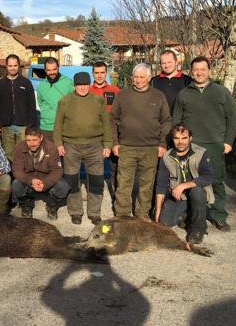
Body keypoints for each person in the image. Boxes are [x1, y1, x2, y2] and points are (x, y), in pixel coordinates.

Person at [172, 56, 236, 232]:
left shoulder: (221, 92)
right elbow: (176, 122)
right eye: (195, 70)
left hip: (215, 144)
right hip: (191, 147)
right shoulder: (184, 94)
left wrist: (228, 142)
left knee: (216, 181)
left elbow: (232, 119)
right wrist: (179, 143)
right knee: (190, 182)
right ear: (191, 72)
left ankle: (219, 215)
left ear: (209, 70)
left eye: (202, 69)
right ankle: (191, 216)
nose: (199, 73)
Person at [110, 63, 171, 219]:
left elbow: (166, 121)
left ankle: (142, 214)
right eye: (135, 77)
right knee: (123, 183)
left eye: (142, 77)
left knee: (146, 184)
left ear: (149, 78)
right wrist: (114, 143)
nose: (138, 80)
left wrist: (162, 143)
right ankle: (122, 215)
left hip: (151, 148)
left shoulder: (158, 96)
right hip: (126, 147)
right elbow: (112, 120)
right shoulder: (122, 95)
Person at [53, 72, 112, 224]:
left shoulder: (98, 100)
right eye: (79, 85)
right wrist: (59, 144)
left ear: (89, 84)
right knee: (72, 180)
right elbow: (58, 125)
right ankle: (76, 212)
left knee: (97, 180)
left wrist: (107, 144)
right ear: (74, 85)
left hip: (95, 145)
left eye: (85, 84)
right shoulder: (65, 101)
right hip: (71, 146)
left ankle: (94, 213)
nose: (83, 88)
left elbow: (106, 123)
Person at [154, 124, 214, 244]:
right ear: (172, 139)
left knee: (196, 191)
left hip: (197, 193)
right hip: (178, 197)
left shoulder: (201, 153)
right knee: (164, 222)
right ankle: (188, 215)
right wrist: (157, 213)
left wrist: (183, 185)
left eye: (184, 138)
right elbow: (160, 186)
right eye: (177, 138)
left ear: (190, 138)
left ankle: (198, 229)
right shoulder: (167, 156)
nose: (180, 142)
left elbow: (208, 177)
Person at [11, 127, 69, 220]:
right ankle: (26, 204)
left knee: (63, 187)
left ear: (41, 138)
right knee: (16, 185)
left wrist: (45, 183)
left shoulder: (51, 147)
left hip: (47, 178)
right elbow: (17, 170)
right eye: (28, 140)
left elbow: (57, 170)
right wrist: (31, 181)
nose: (31, 144)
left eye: (34, 140)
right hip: (28, 179)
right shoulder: (20, 147)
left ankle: (52, 204)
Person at [0, 54, 38, 161]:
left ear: (19, 66)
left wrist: (30, 124)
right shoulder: (0, 84)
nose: (13, 68)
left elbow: (32, 105)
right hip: (6, 126)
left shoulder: (26, 83)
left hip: (23, 126)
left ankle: (23, 176)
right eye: (10, 65)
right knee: (8, 155)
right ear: (6, 66)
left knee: (24, 154)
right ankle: (11, 176)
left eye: (15, 65)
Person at [89, 61, 120, 194]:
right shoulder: (88, 91)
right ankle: (95, 193)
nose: (99, 75)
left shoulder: (115, 91)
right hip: (94, 135)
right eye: (97, 73)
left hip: (112, 133)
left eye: (102, 72)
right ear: (93, 73)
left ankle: (115, 193)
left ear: (106, 73)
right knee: (95, 166)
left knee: (115, 166)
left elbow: (121, 112)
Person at [36, 57, 73, 140]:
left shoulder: (68, 83)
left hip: (64, 127)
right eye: (49, 70)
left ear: (58, 68)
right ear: (45, 70)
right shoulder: (41, 86)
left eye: (54, 69)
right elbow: (41, 103)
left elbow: (74, 102)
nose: (52, 72)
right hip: (46, 128)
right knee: (48, 152)